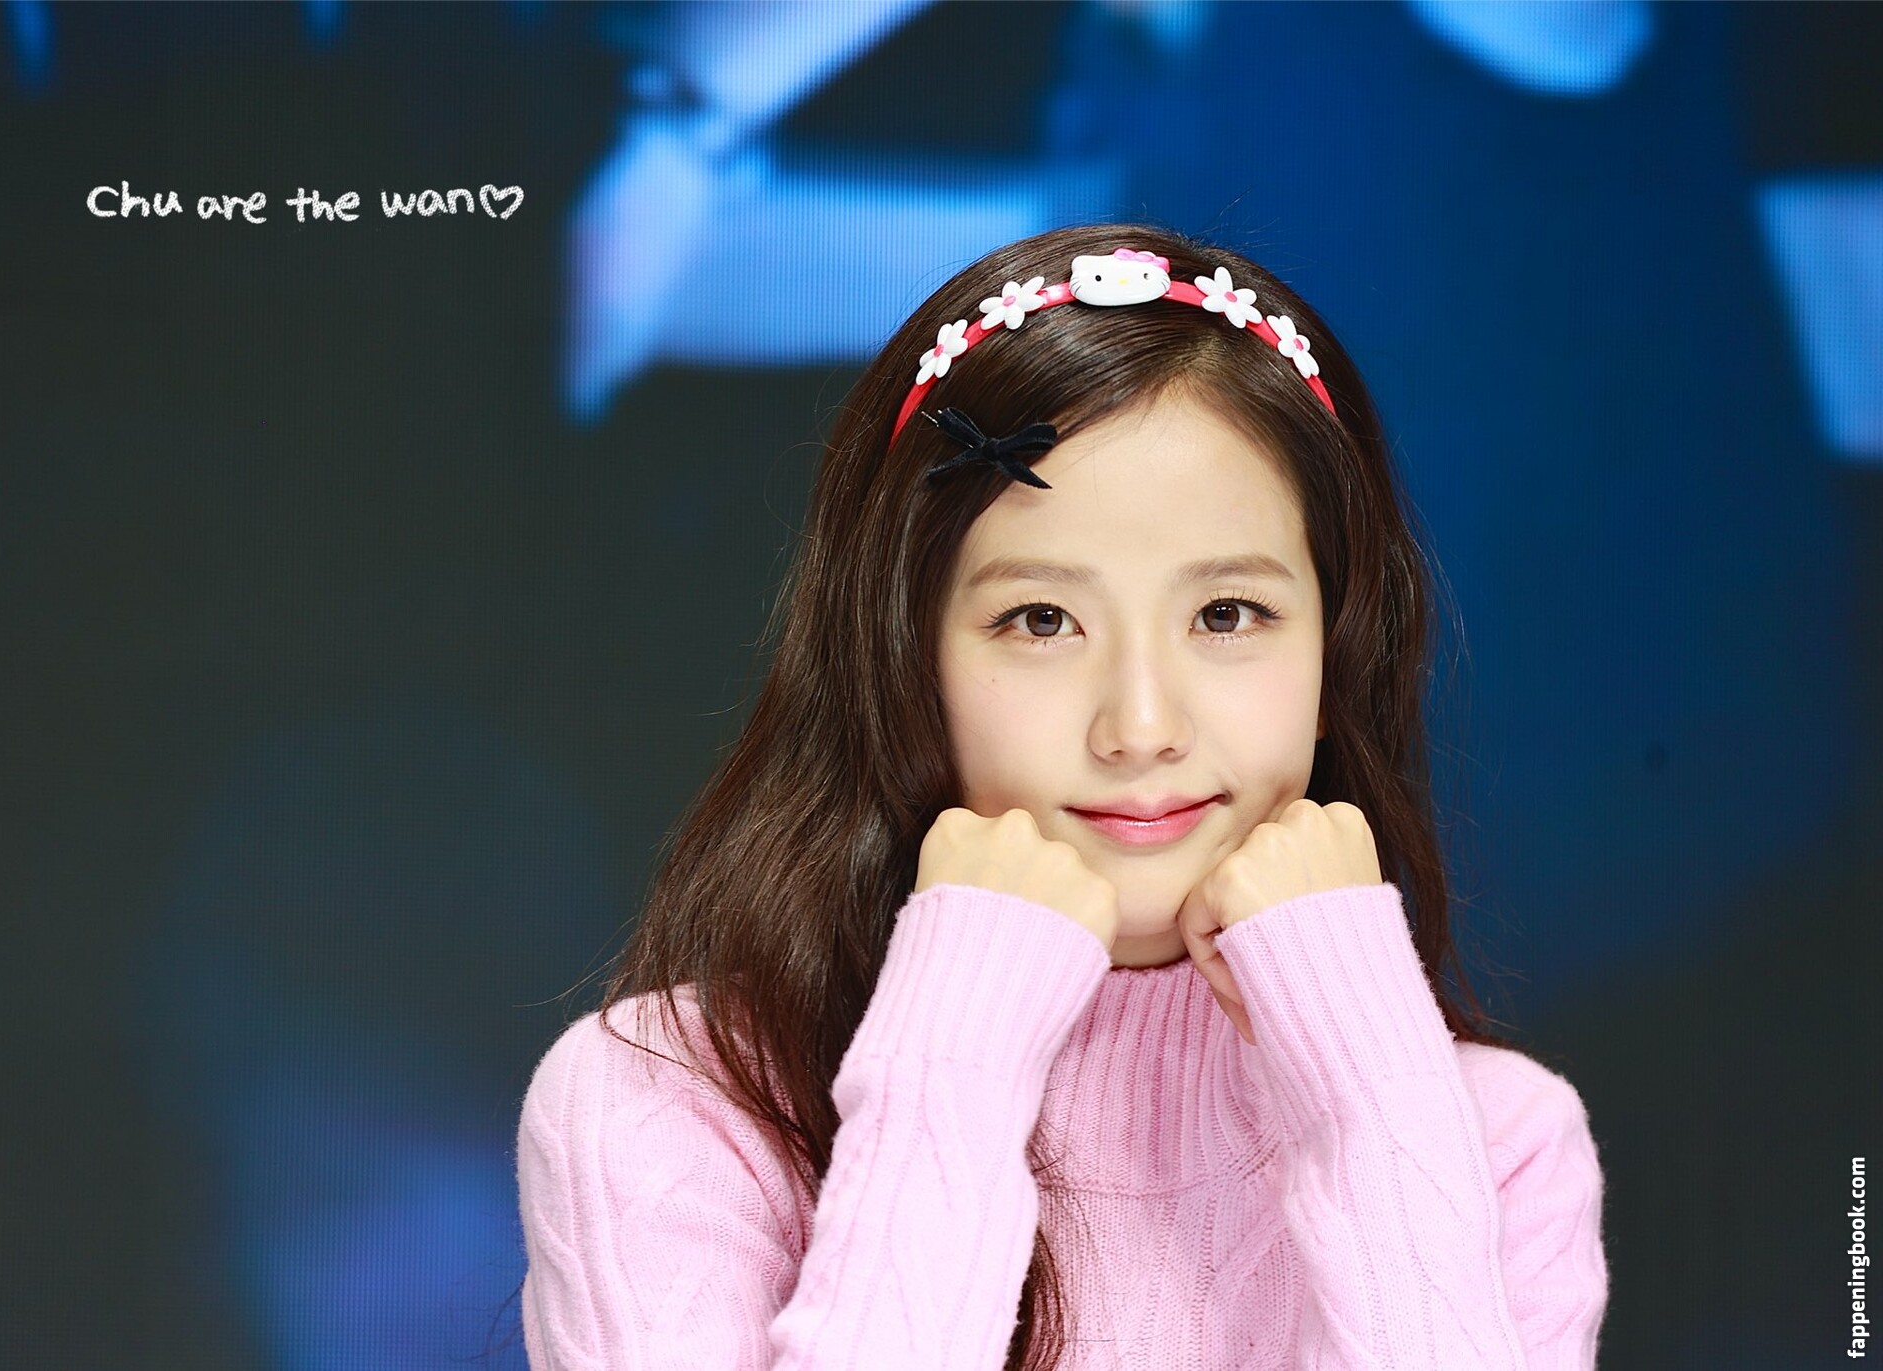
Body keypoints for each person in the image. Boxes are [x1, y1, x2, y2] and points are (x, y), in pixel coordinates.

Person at [513, 224, 1610, 1370]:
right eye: (1041, 620)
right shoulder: (672, 1099)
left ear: (1338, 654)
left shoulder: (1498, 1144)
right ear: (905, 659)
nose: (1140, 727)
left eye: (1227, 615)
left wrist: (1366, 1083)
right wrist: (958, 1043)